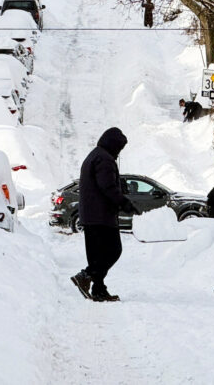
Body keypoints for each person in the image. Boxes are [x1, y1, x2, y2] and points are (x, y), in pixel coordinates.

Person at [71, 128, 139, 302]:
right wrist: (124, 202)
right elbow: (107, 186)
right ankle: (86, 276)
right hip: (101, 216)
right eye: (119, 148)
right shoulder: (104, 159)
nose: (119, 152)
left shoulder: (94, 155)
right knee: (113, 250)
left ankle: (98, 290)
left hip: (91, 215)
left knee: (96, 255)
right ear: (113, 144)